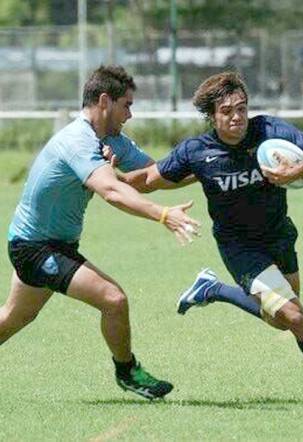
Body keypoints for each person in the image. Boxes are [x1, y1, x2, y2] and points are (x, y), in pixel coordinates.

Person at [120, 71, 303, 407]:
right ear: (212, 116)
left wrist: (297, 171)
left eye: (241, 108)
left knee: (279, 320)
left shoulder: (267, 130)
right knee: (296, 319)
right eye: (227, 111)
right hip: (240, 248)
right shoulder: (196, 152)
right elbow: (147, 179)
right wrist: (107, 175)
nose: (237, 117)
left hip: (279, 235)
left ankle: (213, 289)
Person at [2, 65, 200, 400]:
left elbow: (153, 175)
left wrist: (210, 167)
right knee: (114, 299)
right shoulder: (77, 141)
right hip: (36, 248)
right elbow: (112, 191)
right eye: (127, 105)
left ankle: (127, 372)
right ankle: (128, 372)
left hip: (49, 244)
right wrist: (163, 214)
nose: (130, 114)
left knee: (14, 318)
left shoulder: (111, 141)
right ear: (105, 101)